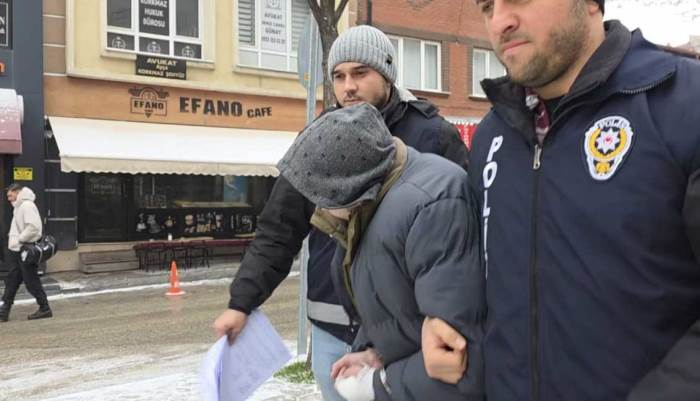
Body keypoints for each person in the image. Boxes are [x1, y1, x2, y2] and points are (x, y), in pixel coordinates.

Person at [421, 0, 700, 400]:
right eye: (486, 6)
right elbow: (487, 278)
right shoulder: (491, 136)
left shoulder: (683, 103)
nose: (500, 22)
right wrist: (444, 319)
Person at [213, 25, 468, 400]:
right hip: (333, 326)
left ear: (387, 73)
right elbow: (278, 229)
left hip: (409, 332)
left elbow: (464, 233)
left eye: (360, 73)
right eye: (338, 76)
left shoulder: (432, 135)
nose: (348, 87)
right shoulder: (321, 140)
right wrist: (242, 302)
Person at [277, 102, 485, 401]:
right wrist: (374, 352)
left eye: (318, 195)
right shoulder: (377, 201)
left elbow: (456, 361)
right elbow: (396, 306)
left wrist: (381, 384)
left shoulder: (432, 206)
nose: (318, 207)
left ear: (346, 185)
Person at [0, 184, 52, 322]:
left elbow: (33, 228)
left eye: (10, 195)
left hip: (25, 250)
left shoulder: (27, 206)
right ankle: (4, 310)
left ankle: (45, 308)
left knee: (31, 281)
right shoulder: (19, 206)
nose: (8, 199)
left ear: (18, 192)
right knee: (12, 280)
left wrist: (20, 239)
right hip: (18, 250)